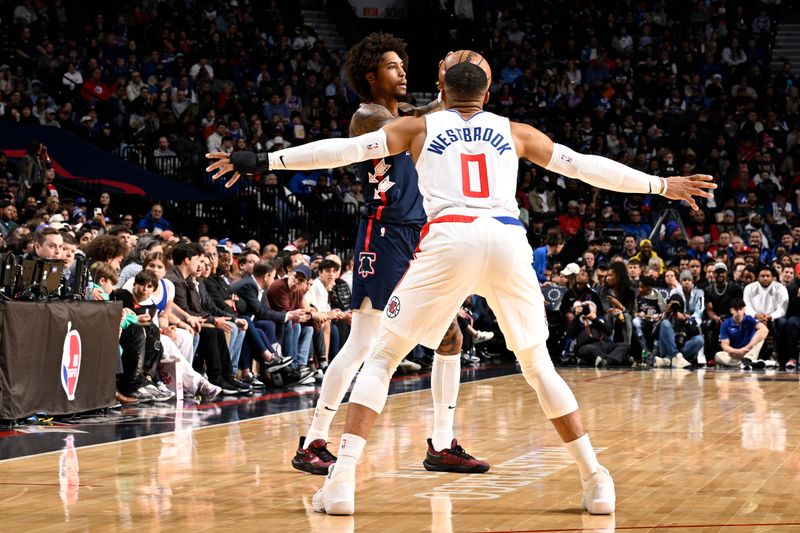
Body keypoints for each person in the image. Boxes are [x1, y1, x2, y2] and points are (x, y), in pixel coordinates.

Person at [207, 60, 714, 516]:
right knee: (538, 366)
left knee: (382, 357)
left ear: (442, 92)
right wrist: (659, 183)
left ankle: (341, 484)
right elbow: (584, 166)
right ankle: (595, 478)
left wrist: (260, 161)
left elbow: (339, 152)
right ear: (488, 94)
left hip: (448, 238)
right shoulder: (515, 132)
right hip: (506, 238)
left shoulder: (418, 126)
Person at [225, 36, 489, 476]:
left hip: (414, 235)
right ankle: (313, 440)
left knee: (451, 338)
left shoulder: (408, 116)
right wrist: (449, 91)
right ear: (371, 76)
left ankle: (442, 443)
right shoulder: (369, 116)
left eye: (404, 64)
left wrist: (449, 95)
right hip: (383, 237)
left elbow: (428, 119)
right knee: (364, 344)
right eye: (392, 66)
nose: (403, 71)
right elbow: (416, 121)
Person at [715, 298, 769, 368]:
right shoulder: (725, 324)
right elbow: (725, 346)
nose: (739, 312)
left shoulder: (749, 319)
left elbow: (765, 330)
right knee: (718, 356)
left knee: (761, 335)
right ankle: (746, 364)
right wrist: (738, 351)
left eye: (740, 309)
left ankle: (748, 360)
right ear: (731, 310)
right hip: (735, 353)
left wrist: (749, 346)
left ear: (744, 310)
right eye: (736, 310)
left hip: (749, 351)